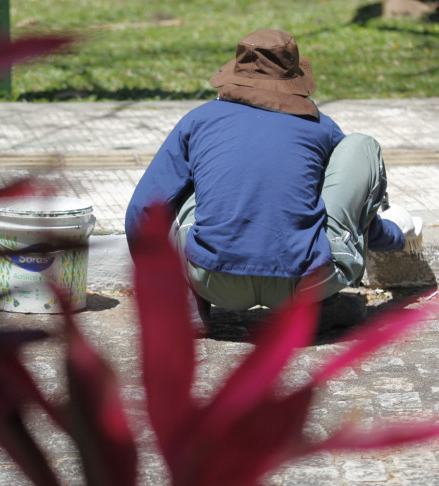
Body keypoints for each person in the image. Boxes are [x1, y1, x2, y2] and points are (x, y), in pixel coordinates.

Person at [125, 29, 422, 331]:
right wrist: (395, 233)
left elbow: (142, 210)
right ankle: (316, 309)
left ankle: (186, 304)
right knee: (360, 145)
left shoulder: (198, 121)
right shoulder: (322, 128)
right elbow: (352, 212)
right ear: (295, 80)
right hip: (302, 284)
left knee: (187, 181)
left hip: (211, 279)